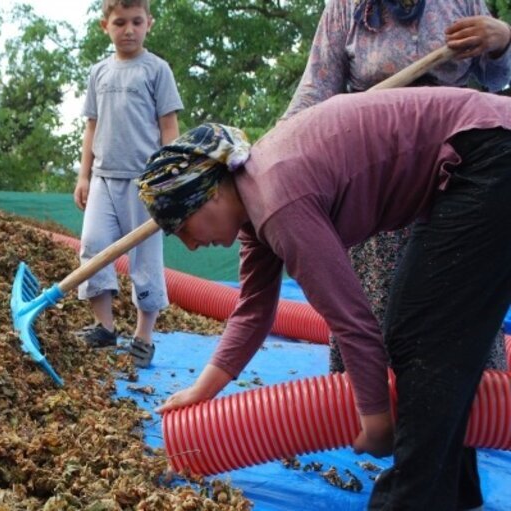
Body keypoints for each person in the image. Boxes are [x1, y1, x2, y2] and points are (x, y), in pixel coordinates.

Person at [143, 88, 511, 510]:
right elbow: (252, 312)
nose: (189, 246)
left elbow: (353, 321)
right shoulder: (254, 204)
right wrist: (201, 390)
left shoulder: (279, 203)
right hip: (474, 163)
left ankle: (413, 500)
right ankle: (450, 491)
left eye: (184, 228)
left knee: (425, 338)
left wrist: (375, 420)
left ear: (208, 195)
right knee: (420, 336)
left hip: (490, 154)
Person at [285, 0, 511, 376]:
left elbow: (496, 78)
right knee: (379, 309)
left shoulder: (461, 1)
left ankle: (464, 420)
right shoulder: (347, 9)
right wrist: (271, 153)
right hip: (377, 179)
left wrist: (502, 40)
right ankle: (374, 415)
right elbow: (314, 94)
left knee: (456, 305)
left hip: (457, 174)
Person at [72, 0, 183, 368]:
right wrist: (84, 175)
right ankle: (104, 327)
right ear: (106, 26)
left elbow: (169, 126)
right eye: (120, 23)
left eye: (137, 22)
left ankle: (143, 337)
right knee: (92, 245)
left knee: (146, 260)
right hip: (103, 178)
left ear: (149, 23)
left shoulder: (157, 70)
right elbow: (91, 126)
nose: (129, 30)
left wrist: (170, 177)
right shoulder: (99, 72)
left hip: (145, 181)